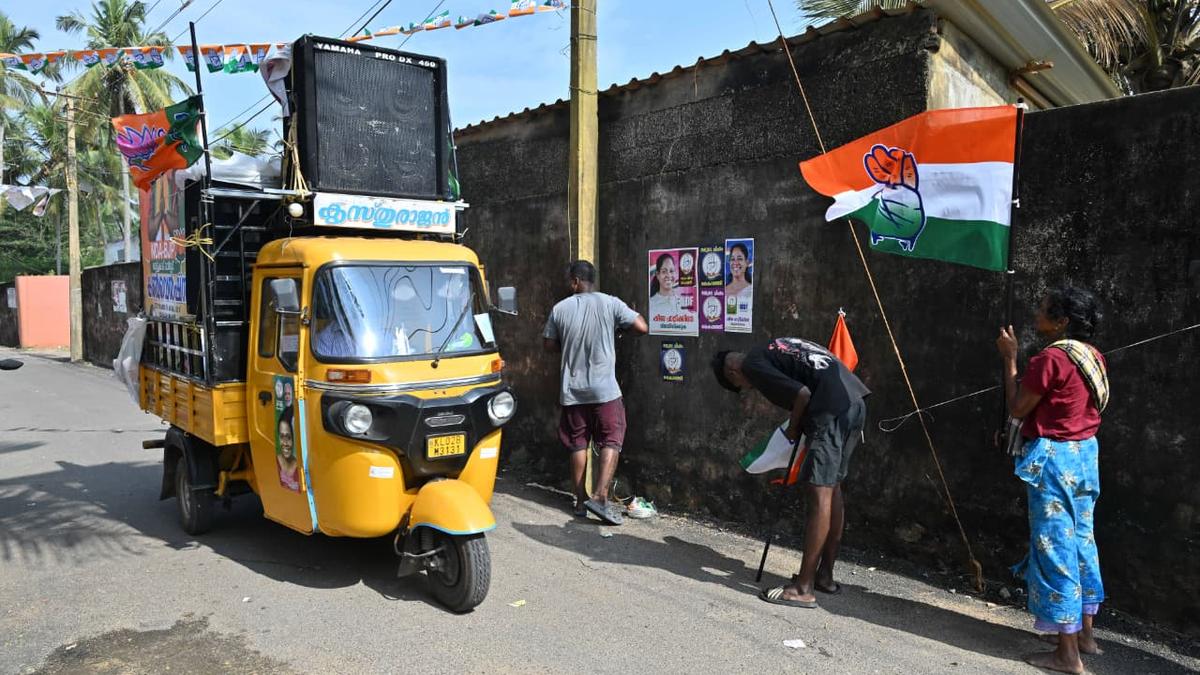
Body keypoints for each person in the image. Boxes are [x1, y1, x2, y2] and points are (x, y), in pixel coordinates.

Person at [997, 287, 1108, 674]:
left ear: (1061, 322)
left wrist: (1010, 360)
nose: (1036, 314)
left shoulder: (1051, 358)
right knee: (1081, 543)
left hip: (1056, 458)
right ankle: (1085, 636)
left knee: (1055, 550)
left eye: (1044, 311)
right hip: (1085, 456)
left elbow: (1017, 407)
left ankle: (1067, 655)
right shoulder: (1093, 357)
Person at [711, 337, 870, 608]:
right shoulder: (778, 345)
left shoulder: (753, 365)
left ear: (733, 373)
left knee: (819, 492)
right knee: (833, 489)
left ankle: (803, 588)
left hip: (831, 410)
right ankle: (824, 576)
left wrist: (793, 430)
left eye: (740, 387)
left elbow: (802, 395)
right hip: (856, 403)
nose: (748, 388)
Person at [544, 260, 648, 524]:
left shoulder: (560, 309)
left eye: (570, 280)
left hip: (573, 391)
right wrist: (619, 328)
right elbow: (641, 327)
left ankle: (580, 501)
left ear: (576, 281)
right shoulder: (611, 303)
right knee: (612, 438)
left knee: (577, 443)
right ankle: (601, 495)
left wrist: (568, 344)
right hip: (605, 391)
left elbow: (548, 345)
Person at [648, 253, 683, 320]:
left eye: (671, 271)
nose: (669, 275)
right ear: (658, 275)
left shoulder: (682, 302)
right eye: (664, 271)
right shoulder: (651, 303)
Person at [276, 408, 301, 492]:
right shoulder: (276, 460)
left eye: (289, 437)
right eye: (281, 437)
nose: (285, 443)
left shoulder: (303, 465)